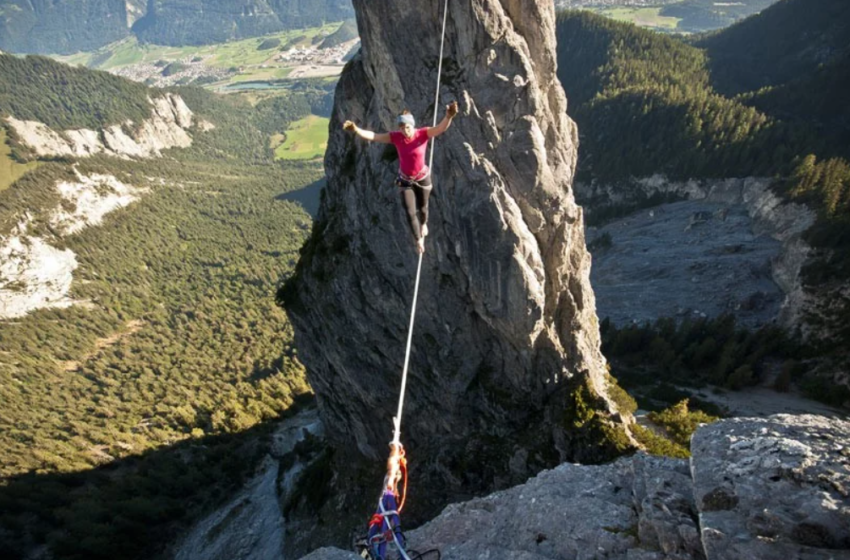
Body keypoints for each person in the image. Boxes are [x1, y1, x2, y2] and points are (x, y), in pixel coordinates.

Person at [343, 101, 458, 254]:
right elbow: (374, 136)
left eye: (407, 127)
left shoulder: (422, 133)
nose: (405, 131)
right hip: (405, 180)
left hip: (422, 177)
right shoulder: (396, 137)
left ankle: (424, 223)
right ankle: (418, 240)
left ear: (413, 125)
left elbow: (440, 128)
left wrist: (448, 116)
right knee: (410, 212)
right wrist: (357, 130)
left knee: (423, 208)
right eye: (402, 128)